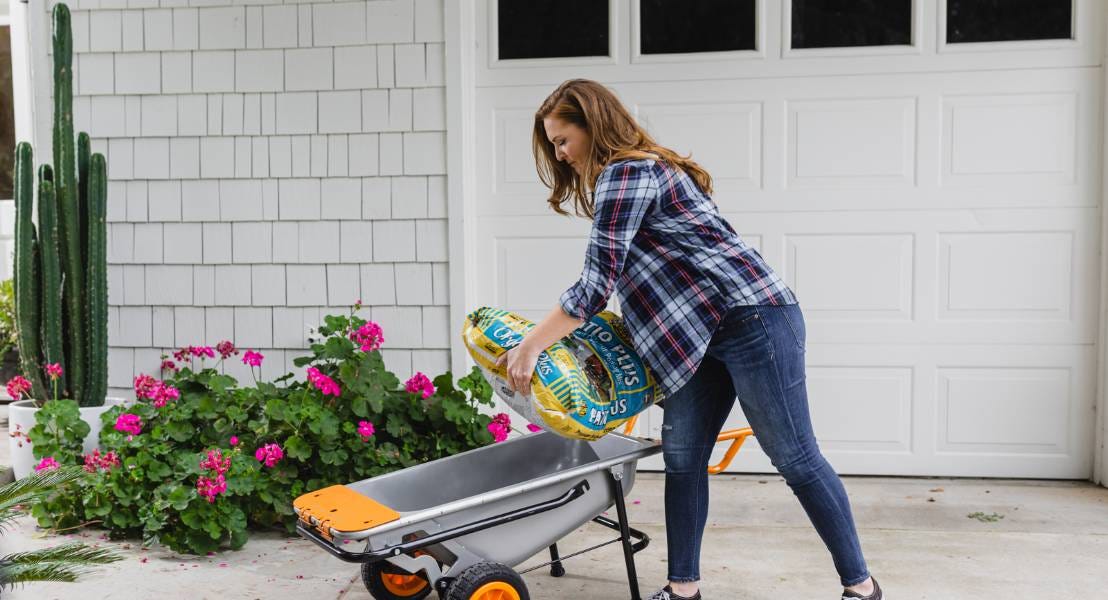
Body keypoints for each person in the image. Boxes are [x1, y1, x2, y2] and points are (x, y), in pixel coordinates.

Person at [496, 79, 883, 600]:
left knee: (794, 456)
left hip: (751, 319)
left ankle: (862, 588)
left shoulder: (628, 172)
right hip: (692, 337)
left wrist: (531, 345)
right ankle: (683, 590)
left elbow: (595, 284)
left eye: (563, 141)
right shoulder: (637, 172)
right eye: (554, 146)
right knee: (682, 458)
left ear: (594, 127)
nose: (560, 156)